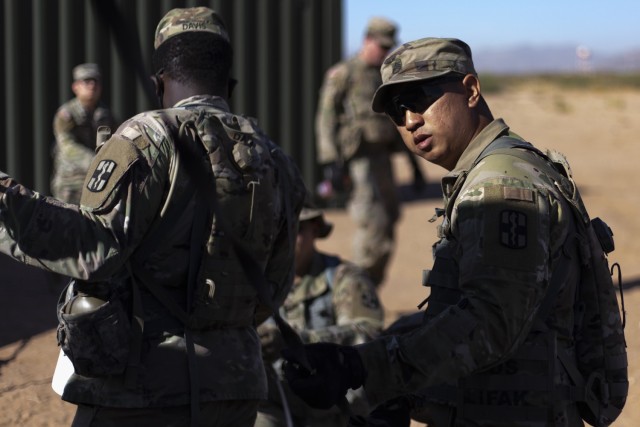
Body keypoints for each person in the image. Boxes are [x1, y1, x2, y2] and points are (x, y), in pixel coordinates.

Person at [0, 6, 305, 427]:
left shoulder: (148, 136)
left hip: (141, 391)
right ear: (228, 82)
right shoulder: (278, 160)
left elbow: (94, 248)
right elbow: (274, 285)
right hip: (235, 389)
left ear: (158, 82)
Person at [283, 37, 603, 426]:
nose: (409, 121)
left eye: (419, 99)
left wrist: (367, 367)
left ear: (470, 90)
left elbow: (491, 323)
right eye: (397, 112)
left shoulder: (499, 186)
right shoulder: (497, 169)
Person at [315, 17, 426, 287]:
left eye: (388, 47)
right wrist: (331, 160)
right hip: (358, 159)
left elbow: (397, 121)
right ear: (367, 40)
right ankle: (359, 287)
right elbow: (325, 118)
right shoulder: (344, 74)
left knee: (389, 217)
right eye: (381, 46)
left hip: (382, 157)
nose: (384, 52)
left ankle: (370, 285)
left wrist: (414, 164)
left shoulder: (384, 76)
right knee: (371, 222)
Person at [255, 202, 384, 427]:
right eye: (277, 229)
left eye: (295, 230)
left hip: (335, 407)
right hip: (274, 401)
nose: (284, 239)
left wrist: (298, 342)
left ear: (315, 229)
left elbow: (368, 333)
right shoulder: (253, 283)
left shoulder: (344, 277)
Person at [52, 63, 118, 204]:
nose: (92, 85)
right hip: (71, 183)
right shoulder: (66, 115)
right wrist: (95, 161)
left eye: (95, 81)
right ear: (75, 87)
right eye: (86, 81)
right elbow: (67, 146)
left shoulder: (106, 114)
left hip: (97, 182)